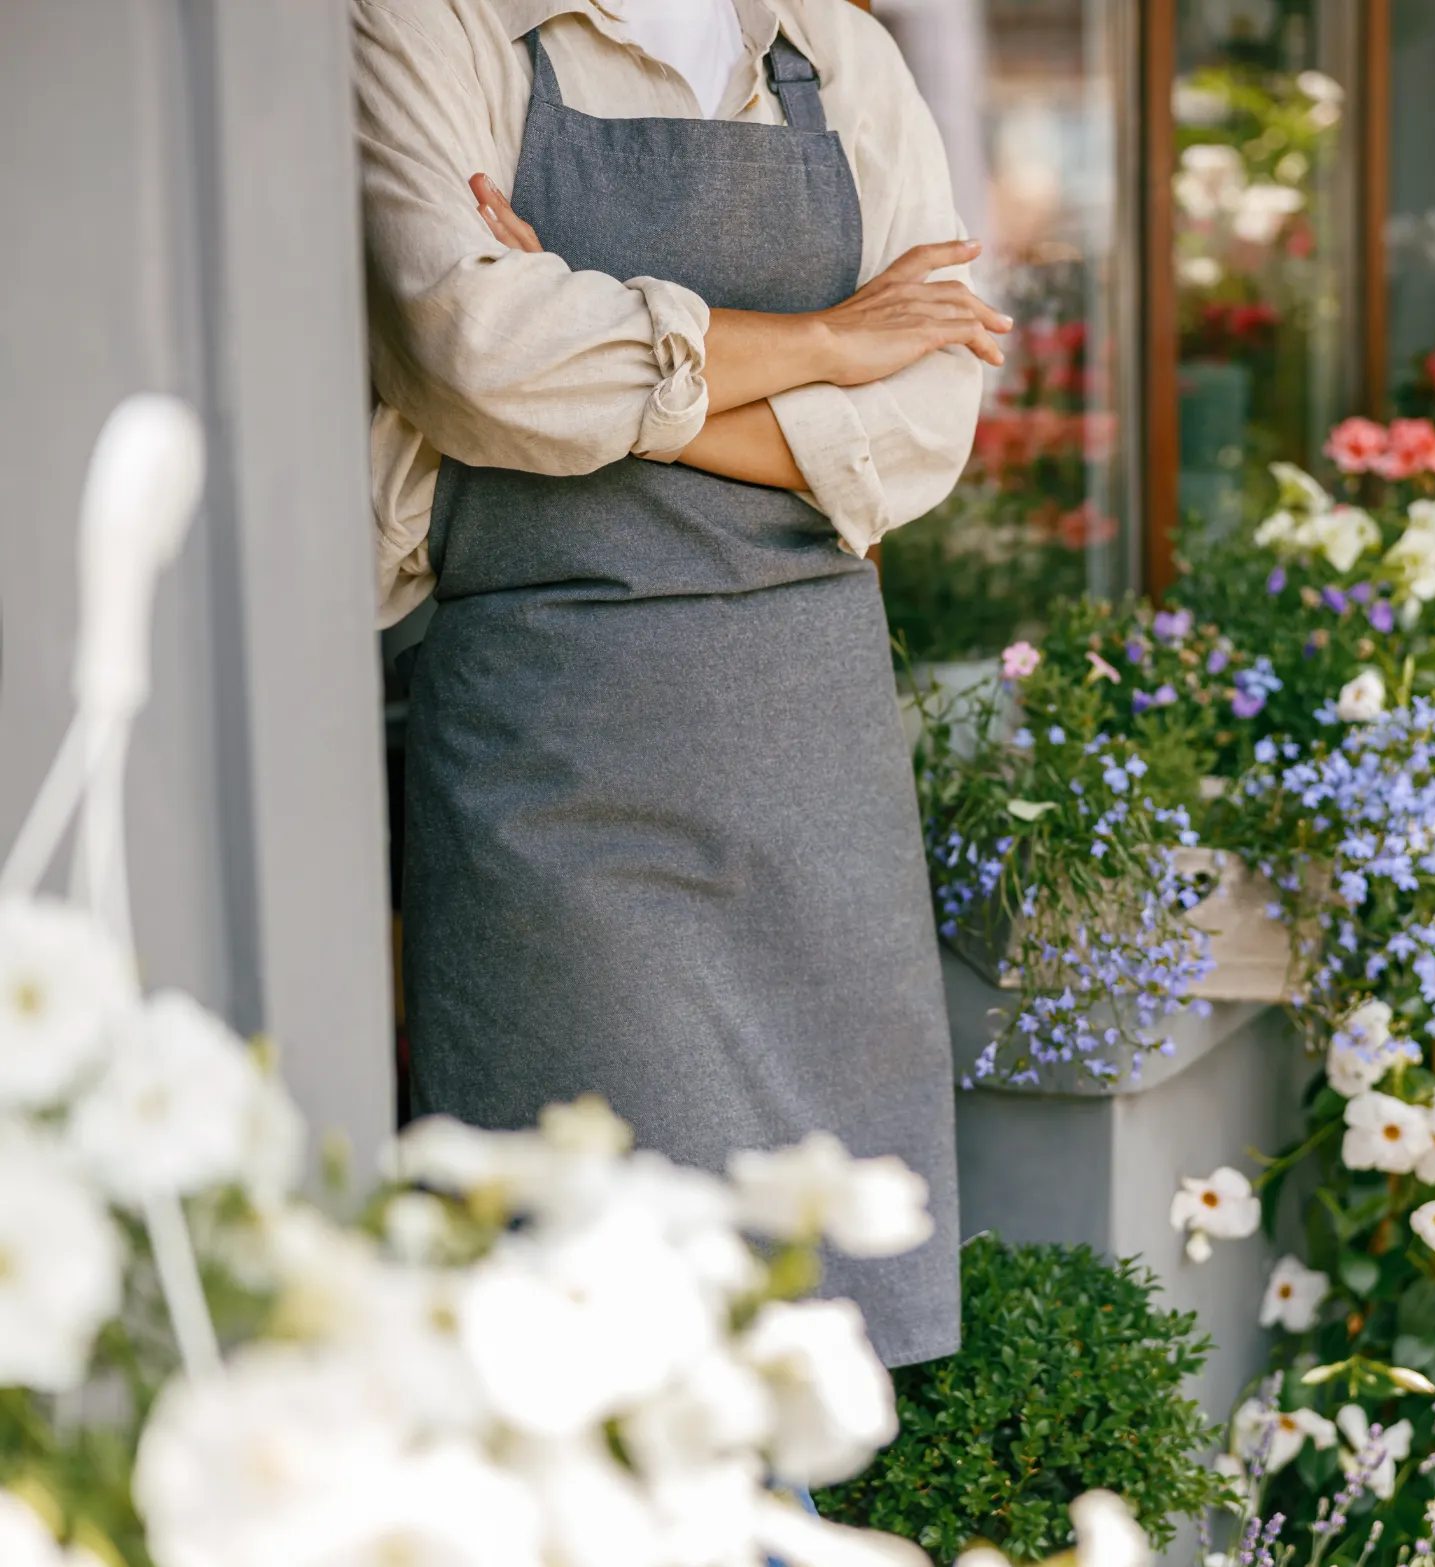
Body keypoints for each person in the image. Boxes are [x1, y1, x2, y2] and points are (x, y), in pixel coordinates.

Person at [353, 0, 1002, 1369]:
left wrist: (605, 364)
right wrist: (825, 341)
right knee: (591, 1311)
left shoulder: (835, 50)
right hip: (562, 753)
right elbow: (470, 354)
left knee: (808, 1334)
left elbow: (930, 417)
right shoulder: (435, 23)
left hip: (812, 762)